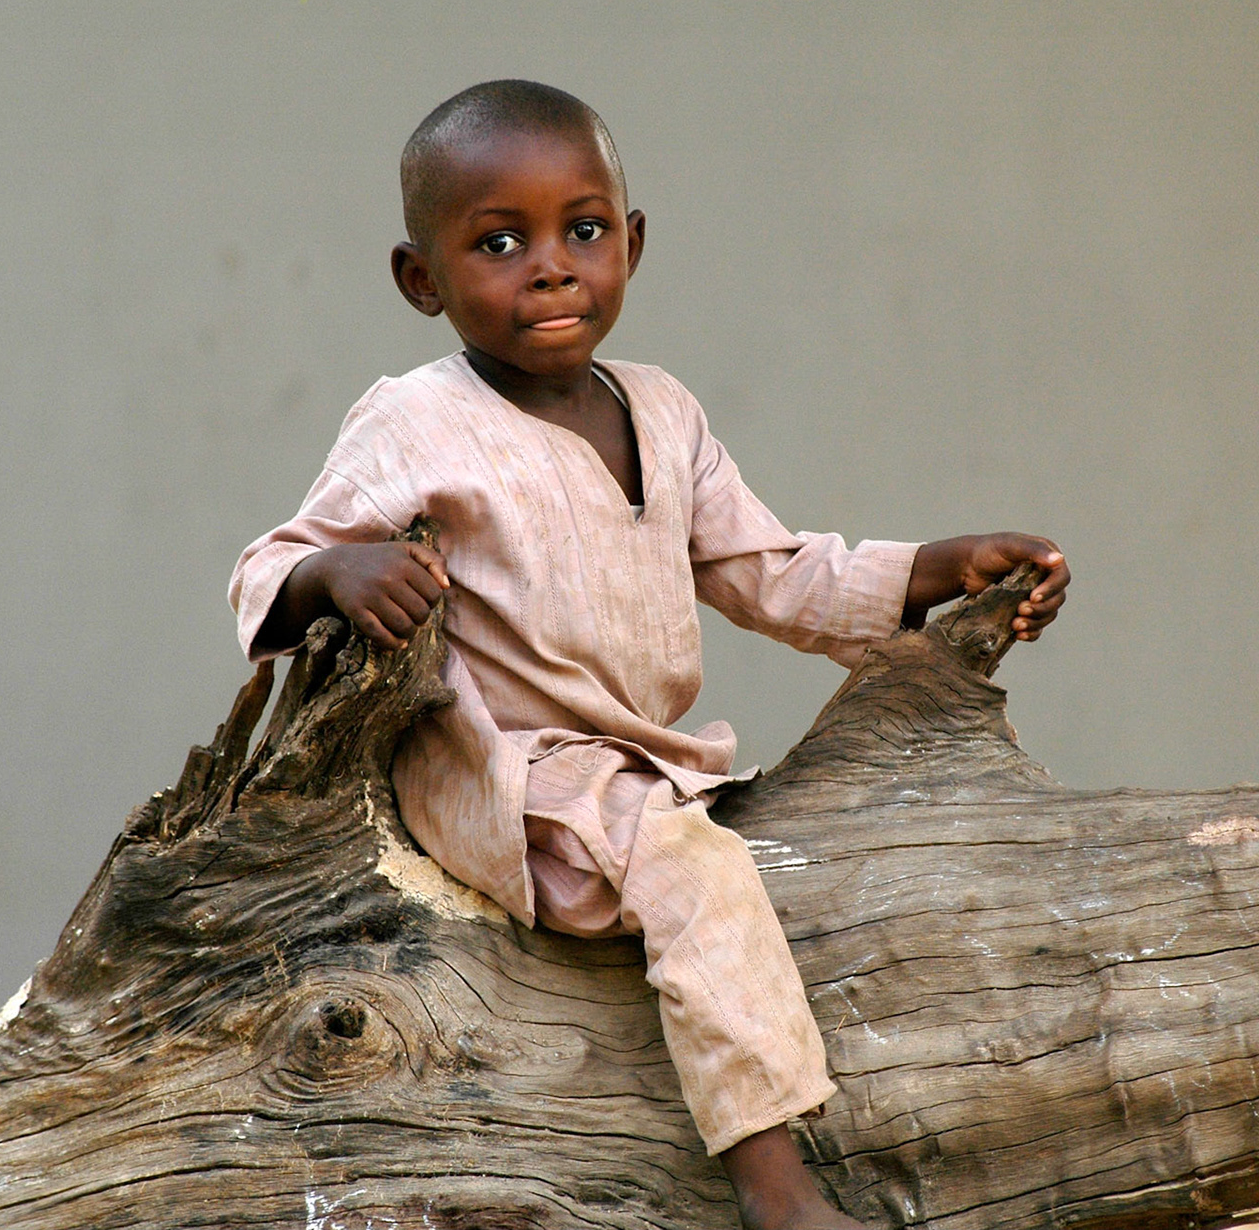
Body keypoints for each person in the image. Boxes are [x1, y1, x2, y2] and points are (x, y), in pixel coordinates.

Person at [230, 79, 1068, 1230]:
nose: (551, 267)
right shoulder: (414, 422)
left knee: (759, 862)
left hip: (645, 767)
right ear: (422, 280)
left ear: (631, 242)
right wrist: (335, 572)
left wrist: (938, 567)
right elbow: (263, 567)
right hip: (508, 774)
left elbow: (770, 572)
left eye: (582, 231)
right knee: (698, 873)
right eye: (498, 242)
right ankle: (777, 1192)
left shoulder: (664, 413)